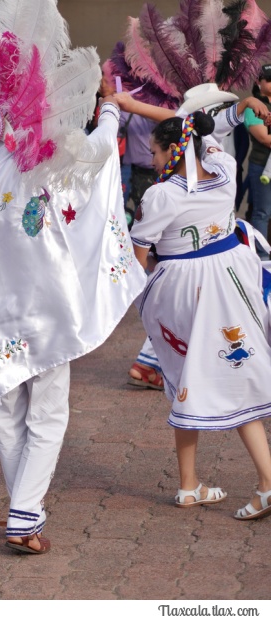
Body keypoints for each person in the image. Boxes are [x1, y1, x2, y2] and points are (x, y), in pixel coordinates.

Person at [0, 0, 147, 554]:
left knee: (6, 414)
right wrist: (109, 111)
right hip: (52, 313)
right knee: (47, 413)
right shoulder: (55, 167)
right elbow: (101, 158)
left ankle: (24, 511)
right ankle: (23, 513)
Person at [125, 97, 271, 521]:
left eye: (154, 151)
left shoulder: (159, 196)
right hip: (230, 280)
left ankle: (242, 484)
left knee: (202, 377)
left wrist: (133, 302)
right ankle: (202, 485)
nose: (151, 159)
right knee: (216, 373)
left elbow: (137, 260)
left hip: (184, 292)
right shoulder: (224, 172)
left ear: (173, 151)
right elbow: (200, 129)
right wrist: (240, 104)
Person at [245, 65, 271, 257]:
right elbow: (264, 138)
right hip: (262, 166)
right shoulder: (253, 106)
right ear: (258, 83)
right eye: (268, 79)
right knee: (262, 212)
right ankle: (261, 256)